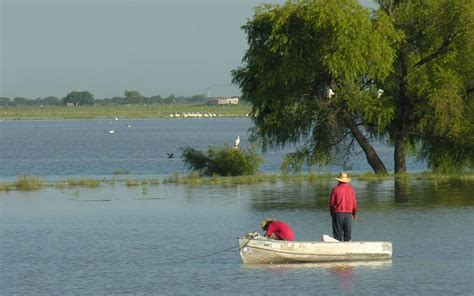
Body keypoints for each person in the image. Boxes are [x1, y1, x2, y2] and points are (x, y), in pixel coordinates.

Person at [329, 172, 358, 242]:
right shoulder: (351, 189)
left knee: (337, 236)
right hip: (348, 214)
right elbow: (354, 202)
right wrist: (355, 213)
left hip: (337, 214)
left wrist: (332, 213)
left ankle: (338, 249)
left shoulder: (335, 189)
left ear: (338, 180)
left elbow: (332, 203)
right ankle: (347, 249)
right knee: (347, 236)